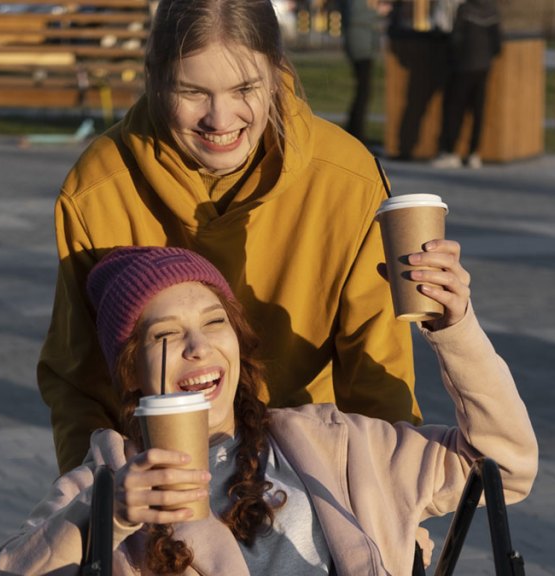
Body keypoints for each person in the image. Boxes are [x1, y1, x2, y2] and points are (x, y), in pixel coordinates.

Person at [0, 245, 537, 575]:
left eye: (215, 322)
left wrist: (454, 328)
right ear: (130, 371)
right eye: (166, 335)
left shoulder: (336, 444)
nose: (198, 346)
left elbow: (505, 468)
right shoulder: (104, 485)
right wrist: (105, 518)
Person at [38, 0, 419, 476]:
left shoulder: (347, 179)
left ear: (277, 73)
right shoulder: (98, 190)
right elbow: (80, 382)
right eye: (192, 92)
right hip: (163, 481)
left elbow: (378, 376)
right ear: (155, 78)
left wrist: (393, 502)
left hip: (310, 473)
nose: (220, 120)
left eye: (245, 88)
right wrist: (100, 504)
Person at [430, 0, 502, 170]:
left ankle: (450, 152)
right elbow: (497, 44)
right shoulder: (492, 9)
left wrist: (451, 57)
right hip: (483, 66)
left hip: (462, 65)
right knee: (478, 111)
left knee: (454, 110)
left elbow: (456, 37)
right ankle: (473, 153)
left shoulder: (465, 9)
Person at [340, 0, 381, 142]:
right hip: (360, 45)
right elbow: (355, 17)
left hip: (365, 45)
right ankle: (355, 132)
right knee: (363, 90)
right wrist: (377, 13)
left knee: (364, 90)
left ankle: (355, 129)